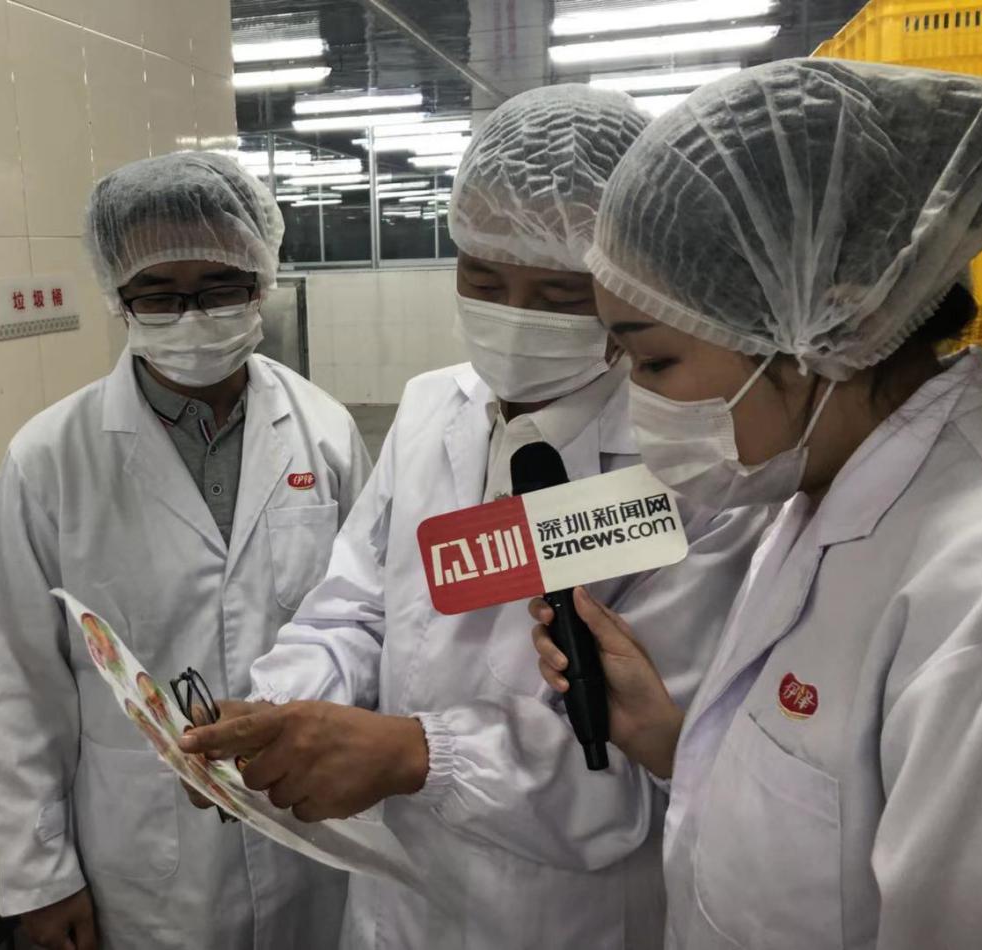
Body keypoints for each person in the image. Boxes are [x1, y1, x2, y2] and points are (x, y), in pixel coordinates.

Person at [181, 85, 773, 948]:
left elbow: (654, 763)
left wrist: (417, 753)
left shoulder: (696, 470)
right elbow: (358, 609)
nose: (514, 318)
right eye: (483, 279)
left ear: (631, 283)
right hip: (400, 895)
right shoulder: (432, 408)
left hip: (561, 912)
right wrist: (275, 711)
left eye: (560, 294)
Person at [531, 59, 982, 949]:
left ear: (829, 324)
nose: (637, 397)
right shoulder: (812, 483)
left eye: (655, 360)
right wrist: (669, 739)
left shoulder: (969, 597)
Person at [0, 152, 371, 950]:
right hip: (145, 848)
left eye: (220, 287)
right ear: (117, 295)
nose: (191, 318)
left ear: (260, 280)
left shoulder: (324, 430)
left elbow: (370, 618)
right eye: (158, 293)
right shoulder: (50, 458)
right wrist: (39, 877)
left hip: (310, 829)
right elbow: (21, 681)